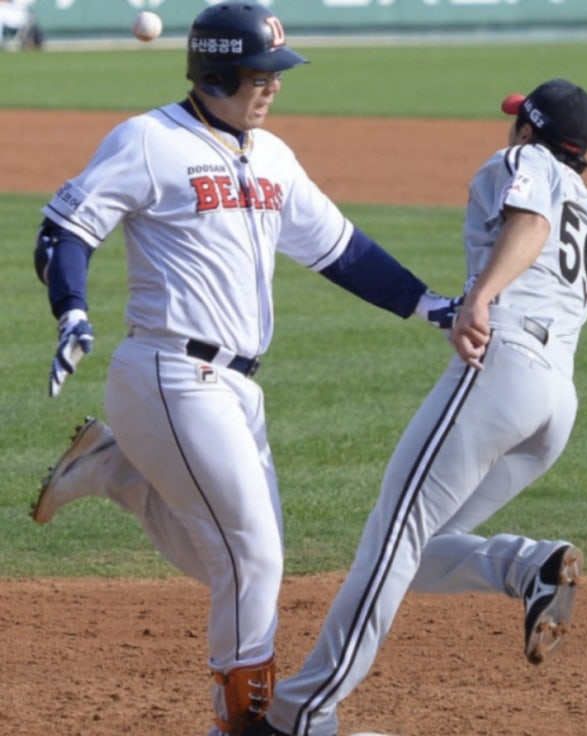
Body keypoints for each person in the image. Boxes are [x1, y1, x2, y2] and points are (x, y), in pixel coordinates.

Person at [30, 4, 457, 735]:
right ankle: (242, 722)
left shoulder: (271, 156)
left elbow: (341, 249)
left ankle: (117, 473)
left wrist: (428, 305)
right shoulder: (149, 141)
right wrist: (71, 308)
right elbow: (63, 228)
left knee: (233, 558)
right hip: (168, 369)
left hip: (236, 387)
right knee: (251, 555)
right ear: (219, 70)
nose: (274, 89)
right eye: (261, 75)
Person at [225, 78, 587, 736]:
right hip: (554, 403)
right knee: (415, 547)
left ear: (532, 130)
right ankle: (531, 566)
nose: (511, 128)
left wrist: (480, 296)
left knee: (391, 542)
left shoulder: (523, 163)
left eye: (519, 119)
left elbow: (530, 222)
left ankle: (300, 711)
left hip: (501, 368)